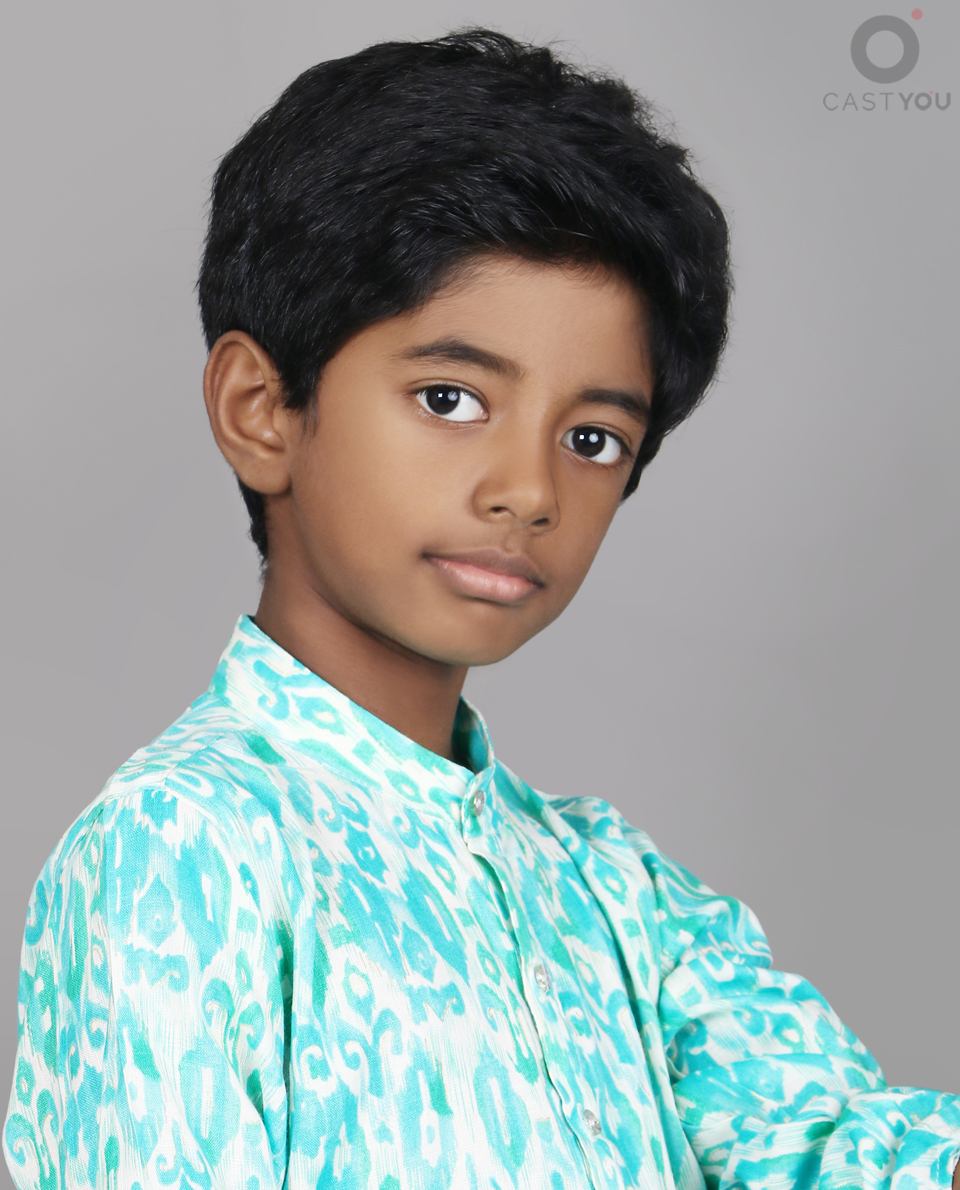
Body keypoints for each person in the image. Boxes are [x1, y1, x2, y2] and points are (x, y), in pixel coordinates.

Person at [3, 28, 958, 1190]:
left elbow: (846, 1150)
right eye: (450, 398)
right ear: (262, 408)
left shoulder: (615, 892)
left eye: (592, 437)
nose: (529, 489)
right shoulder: (185, 851)